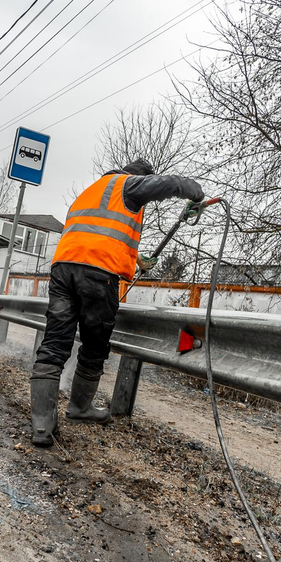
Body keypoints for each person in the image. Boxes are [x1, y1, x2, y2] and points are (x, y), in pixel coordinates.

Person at [29, 159, 204, 446]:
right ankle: (80, 408)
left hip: (63, 270)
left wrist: (135, 260)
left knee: (54, 344)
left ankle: (41, 427)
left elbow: (96, 235)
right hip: (97, 275)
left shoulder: (94, 190)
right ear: (141, 178)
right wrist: (195, 193)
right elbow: (171, 184)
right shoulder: (129, 185)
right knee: (94, 345)